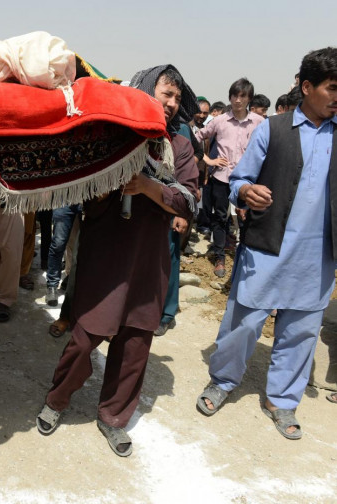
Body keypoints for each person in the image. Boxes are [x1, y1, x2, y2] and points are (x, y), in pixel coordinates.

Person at [36, 65, 198, 457]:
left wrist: (147, 185)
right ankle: (57, 400)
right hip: (106, 251)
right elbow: (80, 185)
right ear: (145, 91)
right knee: (85, 336)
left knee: (136, 341)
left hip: (148, 258)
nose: (172, 103)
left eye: (177, 97)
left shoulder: (179, 145)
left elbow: (190, 198)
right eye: (166, 93)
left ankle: (113, 417)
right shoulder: (113, 134)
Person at [196, 47, 337, 441]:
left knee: (301, 332)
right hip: (266, 248)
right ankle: (222, 380)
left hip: (318, 257)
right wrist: (246, 191)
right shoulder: (272, 129)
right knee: (243, 324)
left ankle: (282, 400)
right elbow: (239, 179)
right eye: (332, 88)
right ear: (307, 87)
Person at [195, 78, 264, 277]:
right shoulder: (220, 120)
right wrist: (208, 160)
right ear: (230, 97)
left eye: (242, 96)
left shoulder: (259, 123)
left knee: (246, 218)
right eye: (234, 95)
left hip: (248, 180)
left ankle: (246, 259)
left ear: (249, 98)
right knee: (220, 217)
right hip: (222, 177)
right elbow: (196, 137)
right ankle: (219, 257)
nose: (237, 100)